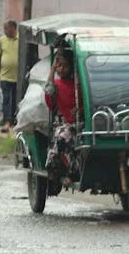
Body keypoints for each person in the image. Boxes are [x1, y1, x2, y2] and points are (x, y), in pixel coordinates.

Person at [44, 49, 81, 188]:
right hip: (63, 123)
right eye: (59, 66)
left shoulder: (78, 85)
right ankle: (61, 173)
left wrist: (80, 110)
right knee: (63, 137)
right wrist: (52, 71)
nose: (62, 69)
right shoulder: (57, 85)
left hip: (80, 122)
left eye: (65, 66)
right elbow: (49, 95)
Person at [0, 19, 19, 132]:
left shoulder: (20, 40)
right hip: (5, 76)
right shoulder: (2, 40)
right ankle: (6, 122)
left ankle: (15, 121)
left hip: (17, 77)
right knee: (6, 99)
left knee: (15, 100)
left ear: (13, 28)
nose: (5, 31)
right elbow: (0, 57)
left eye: (6, 28)